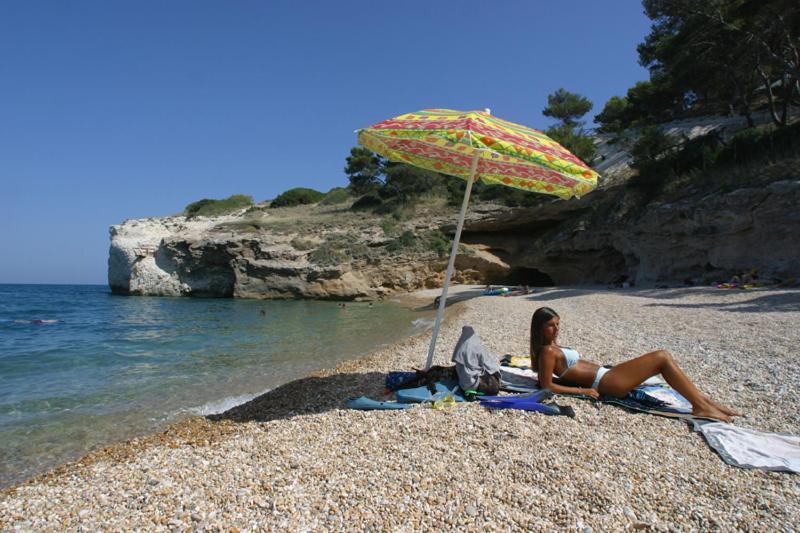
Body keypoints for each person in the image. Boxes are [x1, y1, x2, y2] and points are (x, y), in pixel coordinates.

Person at [529, 307, 741, 422]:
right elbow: (547, 385)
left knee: (662, 358)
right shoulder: (547, 352)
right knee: (662, 357)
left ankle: (707, 402)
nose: (556, 329)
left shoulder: (553, 346)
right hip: (606, 382)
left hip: (607, 374)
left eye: (558, 324)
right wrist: (583, 390)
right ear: (540, 328)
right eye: (550, 326)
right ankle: (700, 406)